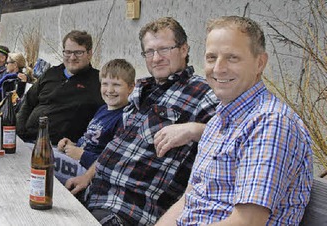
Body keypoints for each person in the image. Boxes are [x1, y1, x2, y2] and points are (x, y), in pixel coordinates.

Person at [156, 16, 313, 226]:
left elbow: (247, 222)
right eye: (211, 57)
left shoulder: (270, 123)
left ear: (260, 63)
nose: (218, 68)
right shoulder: (219, 120)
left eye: (232, 58)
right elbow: (187, 201)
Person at [64, 17, 218, 225]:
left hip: (128, 210)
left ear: (184, 49)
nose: (156, 58)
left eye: (164, 49)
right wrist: (87, 176)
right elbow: (116, 144)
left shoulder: (202, 92)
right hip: (93, 193)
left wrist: (195, 129)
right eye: (149, 52)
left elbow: (236, 136)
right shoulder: (142, 89)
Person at [54, 59, 134, 185]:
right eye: (105, 84)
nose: (110, 90)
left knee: (42, 159)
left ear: (130, 88)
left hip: (88, 172)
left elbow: (113, 160)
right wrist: (72, 145)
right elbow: (89, 140)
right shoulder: (102, 109)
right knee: (32, 149)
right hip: (76, 158)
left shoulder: (125, 118)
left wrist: (82, 155)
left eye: (116, 85)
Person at [16, 30, 104, 144]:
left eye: (78, 52)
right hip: (27, 139)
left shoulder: (98, 81)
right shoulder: (51, 73)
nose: (72, 57)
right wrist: (19, 132)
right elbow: (28, 102)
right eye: (68, 52)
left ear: (89, 53)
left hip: (58, 147)